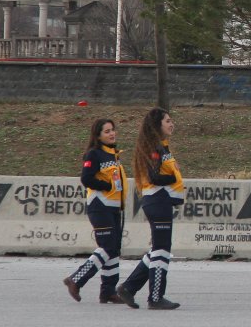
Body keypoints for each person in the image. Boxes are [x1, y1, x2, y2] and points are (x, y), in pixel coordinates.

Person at [117, 108, 184, 310]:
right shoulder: (155, 149)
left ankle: (128, 288)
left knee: (158, 249)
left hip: (161, 201)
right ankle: (155, 297)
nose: (172, 124)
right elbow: (154, 176)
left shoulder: (162, 147)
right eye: (168, 121)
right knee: (162, 251)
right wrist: (173, 178)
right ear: (157, 125)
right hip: (157, 201)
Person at [62, 118, 127, 304]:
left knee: (114, 250)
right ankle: (76, 279)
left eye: (113, 130)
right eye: (107, 131)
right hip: (100, 206)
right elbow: (87, 179)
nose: (112, 133)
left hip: (115, 207)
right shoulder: (94, 154)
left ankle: (108, 291)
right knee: (107, 247)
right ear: (98, 135)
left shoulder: (113, 154)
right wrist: (106, 185)